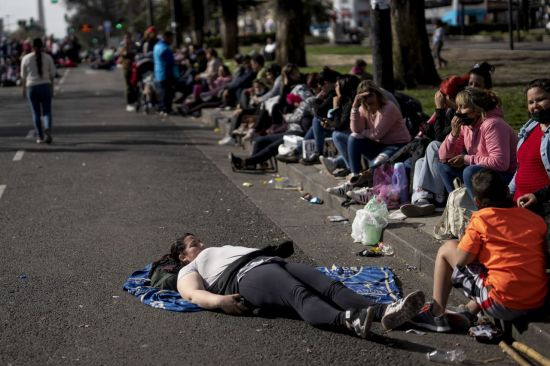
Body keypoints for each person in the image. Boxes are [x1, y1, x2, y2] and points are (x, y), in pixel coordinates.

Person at [156, 233, 425, 338]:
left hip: (268, 261)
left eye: (200, 241)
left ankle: (385, 312)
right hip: (246, 276)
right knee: (299, 295)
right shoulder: (188, 269)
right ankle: (347, 320)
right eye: (194, 245)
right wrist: (219, 302)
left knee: (331, 286)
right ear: (183, 256)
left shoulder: (209, 250)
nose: (201, 245)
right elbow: (192, 294)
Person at [412, 169, 548, 332]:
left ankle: (436, 313)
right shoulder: (534, 219)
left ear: (476, 202)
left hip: (504, 304)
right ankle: (468, 312)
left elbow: (462, 261)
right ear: (506, 191)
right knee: (499, 268)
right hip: (538, 299)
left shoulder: (481, 219)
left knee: (447, 249)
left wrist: (467, 242)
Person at [437, 87, 517, 201]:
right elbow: (443, 157)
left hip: (506, 176)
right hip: (486, 171)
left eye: (463, 107)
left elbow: (500, 163)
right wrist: (453, 134)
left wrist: (466, 159)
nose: (457, 111)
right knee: (444, 167)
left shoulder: (493, 124)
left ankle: (480, 212)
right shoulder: (467, 126)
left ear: (477, 109)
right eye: (458, 106)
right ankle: (459, 208)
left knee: (470, 172)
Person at [511, 79, 550, 216]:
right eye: (530, 102)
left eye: (540, 99)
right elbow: (522, 167)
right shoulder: (529, 128)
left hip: (543, 207)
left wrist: (538, 196)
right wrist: (507, 192)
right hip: (518, 204)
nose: (535, 106)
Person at [20, 38, 56, 144]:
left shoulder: (26, 58)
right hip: (45, 86)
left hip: (31, 87)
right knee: (47, 111)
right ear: (43, 46)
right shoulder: (48, 58)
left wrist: (23, 90)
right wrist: (52, 88)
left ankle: (40, 136)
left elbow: (23, 76)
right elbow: (52, 74)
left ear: (32, 46)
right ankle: (47, 128)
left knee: (35, 113)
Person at [153, 31, 176, 115]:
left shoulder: (157, 46)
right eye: (171, 38)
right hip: (166, 72)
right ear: (167, 38)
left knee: (163, 91)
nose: (172, 40)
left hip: (158, 72)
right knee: (167, 92)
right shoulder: (164, 48)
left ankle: (162, 108)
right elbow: (170, 61)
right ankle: (166, 109)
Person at [118, 33, 138, 112]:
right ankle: (129, 103)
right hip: (127, 67)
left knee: (135, 84)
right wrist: (125, 47)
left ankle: (136, 100)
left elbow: (137, 51)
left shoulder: (134, 44)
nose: (128, 40)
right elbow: (121, 53)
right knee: (129, 85)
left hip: (135, 66)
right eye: (126, 38)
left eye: (129, 38)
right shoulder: (122, 45)